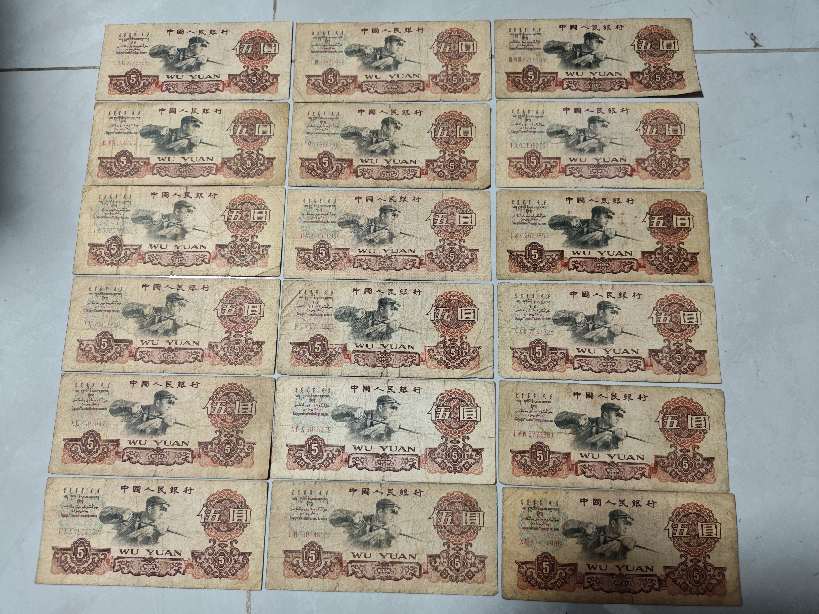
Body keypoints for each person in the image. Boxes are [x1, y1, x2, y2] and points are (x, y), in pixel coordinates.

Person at [562, 509, 636, 560]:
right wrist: (583, 527)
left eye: (627, 524)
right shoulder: (595, 530)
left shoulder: (624, 541)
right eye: (624, 523)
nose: (626, 527)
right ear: (613, 523)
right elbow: (565, 530)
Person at [329, 498, 401, 548]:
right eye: (391, 512)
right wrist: (352, 516)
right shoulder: (361, 520)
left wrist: (390, 538)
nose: (393, 516)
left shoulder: (392, 530)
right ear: (380, 512)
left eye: (395, 513)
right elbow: (333, 518)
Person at [99, 496, 171, 546]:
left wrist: (157, 534)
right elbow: (102, 516)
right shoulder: (130, 517)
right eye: (161, 509)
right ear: (149, 509)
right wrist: (119, 513)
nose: (163, 513)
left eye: (165, 510)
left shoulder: (158, 528)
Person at [554, 402, 628, 450]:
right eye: (616, 415)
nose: (618, 419)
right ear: (605, 415)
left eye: (620, 416)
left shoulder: (616, 433)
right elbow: (558, 420)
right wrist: (576, 417)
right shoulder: (586, 422)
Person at [108, 389, 180, 436]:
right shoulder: (139, 409)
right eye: (169, 402)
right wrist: (129, 407)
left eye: (173, 404)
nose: (170, 406)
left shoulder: (168, 420)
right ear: (158, 403)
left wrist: (164, 427)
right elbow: (112, 409)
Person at [331, 395, 401, 441]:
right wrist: (352, 410)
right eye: (392, 408)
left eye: (396, 409)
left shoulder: (390, 424)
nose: (394, 411)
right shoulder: (361, 415)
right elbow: (334, 414)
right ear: (380, 407)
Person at [552, 300, 623, 345]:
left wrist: (612, 334)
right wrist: (573, 314)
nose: (614, 316)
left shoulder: (612, 330)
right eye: (612, 312)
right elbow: (555, 318)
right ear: (601, 313)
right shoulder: (582, 319)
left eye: (616, 313)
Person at [121, 292, 190, 337]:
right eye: (177, 306)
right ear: (169, 304)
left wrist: (176, 328)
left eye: (181, 306)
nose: (179, 309)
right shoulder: (150, 311)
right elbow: (137, 334)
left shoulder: (178, 318)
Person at [334, 296, 401, 341]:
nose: (393, 312)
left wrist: (389, 329)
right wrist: (353, 311)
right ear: (381, 309)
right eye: (391, 309)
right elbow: (336, 315)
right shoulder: (363, 316)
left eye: (394, 310)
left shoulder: (391, 325)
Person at [548, 205, 617, 248]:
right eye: (606, 217)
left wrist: (606, 237)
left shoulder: (605, 234)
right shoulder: (578, 222)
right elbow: (551, 222)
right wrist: (566, 219)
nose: (608, 220)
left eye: (609, 218)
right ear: (596, 217)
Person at [131, 199, 196, 241]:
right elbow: (133, 217)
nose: (189, 214)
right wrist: (150, 217)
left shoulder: (186, 225)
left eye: (191, 212)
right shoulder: (158, 218)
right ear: (177, 211)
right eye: (188, 211)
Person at [139, 115, 205, 154]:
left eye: (197, 127)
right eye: (194, 126)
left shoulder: (193, 140)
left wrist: (192, 145)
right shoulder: (168, 133)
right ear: (184, 126)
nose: (196, 129)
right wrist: (159, 129)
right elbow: (142, 131)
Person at [546, 115, 611, 154]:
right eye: (601, 126)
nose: (603, 128)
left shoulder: (603, 138)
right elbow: (549, 132)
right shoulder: (577, 133)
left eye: (604, 126)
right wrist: (565, 128)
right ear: (591, 126)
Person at [543, 32, 607, 69]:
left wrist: (598, 60)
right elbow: (546, 48)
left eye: (600, 42)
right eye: (596, 41)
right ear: (587, 41)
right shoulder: (570, 47)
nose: (599, 44)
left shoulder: (597, 56)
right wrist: (561, 45)